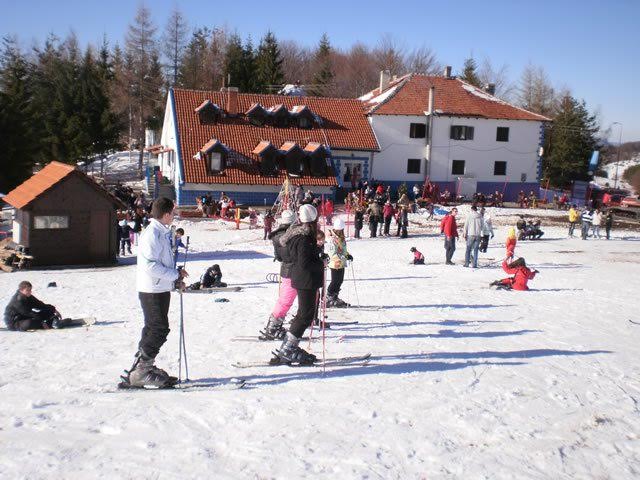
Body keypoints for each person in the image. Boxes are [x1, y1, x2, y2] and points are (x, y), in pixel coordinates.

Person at [121, 197, 189, 388]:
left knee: (152, 328)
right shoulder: (152, 234)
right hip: (151, 289)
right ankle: (141, 371)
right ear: (166, 214)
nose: (174, 216)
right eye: (173, 213)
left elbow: (162, 263)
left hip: (159, 287)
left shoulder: (162, 233)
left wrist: (175, 278)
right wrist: (173, 274)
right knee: (159, 329)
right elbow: (149, 265)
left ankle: (142, 367)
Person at [272, 204, 324, 365]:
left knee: (305, 314)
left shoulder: (296, 234)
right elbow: (304, 262)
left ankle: (288, 346)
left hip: (303, 278)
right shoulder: (304, 237)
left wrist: (317, 254)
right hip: (305, 279)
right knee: (305, 315)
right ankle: (289, 348)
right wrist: (321, 263)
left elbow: (304, 256)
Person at [260, 210, 297, 341]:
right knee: (286, 300)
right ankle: (273, 326)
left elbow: (278, 256)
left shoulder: (276, 236)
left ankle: (275, 324)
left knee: (285, 299)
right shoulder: (292, 235)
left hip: (286, 269)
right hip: (294, 269)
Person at [326, 219, 353, 308]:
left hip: (341, 263)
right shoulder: (332, 239)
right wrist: (344, 257)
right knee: (335, 281)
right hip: (335, 263)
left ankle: (335, 297)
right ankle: (329, 297)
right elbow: (333, 253)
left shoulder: (340, 238)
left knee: (339, 281)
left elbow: (343, 249)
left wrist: (348, 255)